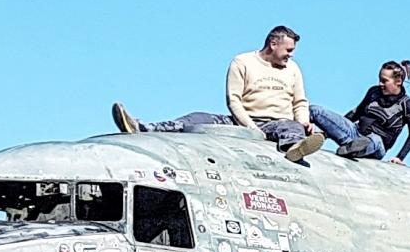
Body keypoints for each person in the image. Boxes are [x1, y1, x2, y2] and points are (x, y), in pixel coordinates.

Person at [115, 25, 365, 163]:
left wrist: (303, 122)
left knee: (292, 128)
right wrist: (249, 127)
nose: (291, 54)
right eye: (288, 49)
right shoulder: (242, 62)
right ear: (273, 44)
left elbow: (300, 101)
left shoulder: (293, 69)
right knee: (196, 118)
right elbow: (233, 99)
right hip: (243, 120)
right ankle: (141, 127)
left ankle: (295, 148)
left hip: (278, 121)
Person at [344, 60, 410, 162]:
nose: (380, 84)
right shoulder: (374, 92)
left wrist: (400, 157)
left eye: (384, 81)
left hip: (377, 145)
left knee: (373, 140)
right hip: (356, 133)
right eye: (379, 80)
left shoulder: (408, 106)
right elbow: (356, 112)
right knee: (317, 112)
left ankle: (353, 149)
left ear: (398, 81)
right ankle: (344, 144)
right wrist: (330, 129)